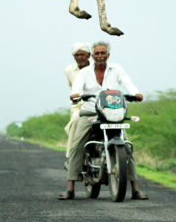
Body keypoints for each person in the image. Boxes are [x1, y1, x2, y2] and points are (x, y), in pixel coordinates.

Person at [59, 41, 149, 200]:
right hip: (90, 111)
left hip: (112, 112)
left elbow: (127, 82)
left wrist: (136, 93)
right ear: (92, 56)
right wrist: (76, 94)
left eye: (103, 53)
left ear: (108, 54)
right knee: (77, 145)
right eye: (97, 53)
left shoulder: (116, 69)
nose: (100, 56)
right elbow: (77, 87)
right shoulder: (85, 72)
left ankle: (135, 189)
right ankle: (70, 188)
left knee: (127, 146)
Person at [64, 42, 91, 162]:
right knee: (75, 120)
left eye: (82, 54)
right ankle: (71, 157)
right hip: (79, 107)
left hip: (98, 105)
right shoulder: (69, 70)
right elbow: (72, 87)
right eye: (77, 55)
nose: (80, 57)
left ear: (89, 55)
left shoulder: (97, 68)